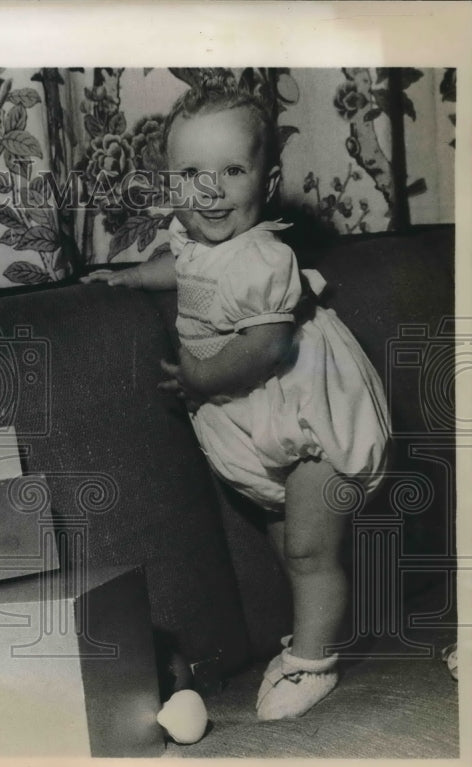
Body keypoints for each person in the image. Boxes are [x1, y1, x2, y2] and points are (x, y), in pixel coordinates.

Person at [85, 79, 390, 720]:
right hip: (259, 420)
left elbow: (266, 349)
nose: (211, 189)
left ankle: (312, 664)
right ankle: (319, 633)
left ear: (268, 179)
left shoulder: (266, 256)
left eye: (232, 169)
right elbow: (186, 268)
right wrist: (133, 277)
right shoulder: (197, 241)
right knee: (287, 542)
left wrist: (199, 377)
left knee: (310, 548)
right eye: (192, 173)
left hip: (310, 408)